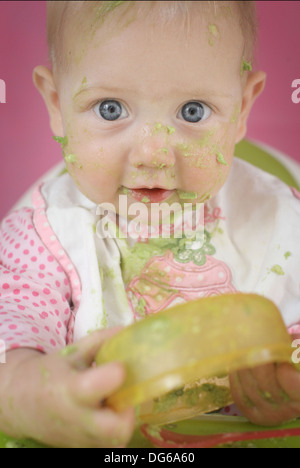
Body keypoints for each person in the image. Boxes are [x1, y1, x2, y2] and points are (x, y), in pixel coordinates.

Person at [0, 0, 300, 448]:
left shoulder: (275, 218)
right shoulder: (47, 233)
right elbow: (13, 332)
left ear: (241, 108)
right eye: (110, 109)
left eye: (193, 111)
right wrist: (29, 396)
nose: (153, 155)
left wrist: (287, 382)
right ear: (57, 105)